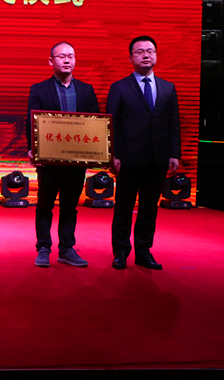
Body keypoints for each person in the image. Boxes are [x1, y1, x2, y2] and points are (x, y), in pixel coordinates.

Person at [106, 35, 180, 270]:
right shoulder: (119, 87)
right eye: (140, 52)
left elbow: (173, 123)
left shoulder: (168, 88)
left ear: (156, 55)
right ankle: (120, 252)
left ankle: (144, 252)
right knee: (124, 207)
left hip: (157, 158)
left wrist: (174, 153)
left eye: (150, 51)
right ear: (130, 58)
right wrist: (113, 155)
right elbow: (112, 125)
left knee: (149, 208)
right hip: (128, 159)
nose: (146, 55)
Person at [25, 42, 100, 268]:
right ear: (51, 61)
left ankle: (66, 249)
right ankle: (43, 248)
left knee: (69, 205)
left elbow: (96, 123)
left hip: (77, 160)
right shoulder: (39, 89)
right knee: (45, 204)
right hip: (49, 160)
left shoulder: (87, 90)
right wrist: (33, 149)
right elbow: (31, 121)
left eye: (71, 56)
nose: (67, 60)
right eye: (61, 56)